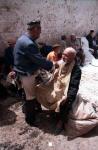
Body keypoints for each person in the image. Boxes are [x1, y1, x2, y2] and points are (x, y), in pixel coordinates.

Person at [13, 21, 53, 126]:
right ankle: (30, 119)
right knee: (30, 97)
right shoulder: (29, 43)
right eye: (39, 32)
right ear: (35, 30)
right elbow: (39, 60)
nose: (39, 35)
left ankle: (26, 110)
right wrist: (52, 65)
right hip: (27, 73)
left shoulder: (23, 38)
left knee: (25, 94)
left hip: (22, 70)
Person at [54, 47, 81, 135]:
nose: (63, 57)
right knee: (42, 89)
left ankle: (60, 122)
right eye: (63, 54)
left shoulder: (76, 69)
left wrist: (67, 96)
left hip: (68, 90)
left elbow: (74, 86)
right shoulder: (61, 63)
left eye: (66, 55)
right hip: (59, 87)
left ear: (73, 57)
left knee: (66, 102)